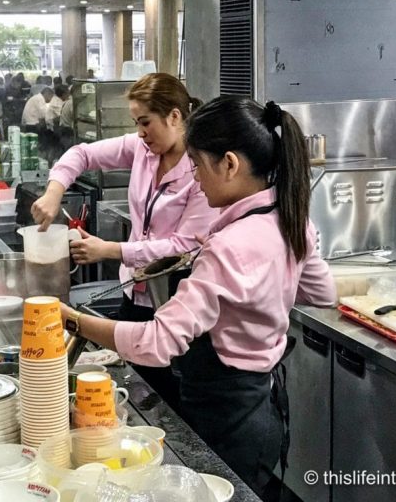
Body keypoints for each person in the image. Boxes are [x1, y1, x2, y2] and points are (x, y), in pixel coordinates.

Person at [58, 96, 336, 499]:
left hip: (225, 421)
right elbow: (321, 291)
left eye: (197, 164)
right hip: (262, 409)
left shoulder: (229, 246)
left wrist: (73, 321)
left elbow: (158, 343)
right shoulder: (291, 219)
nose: (194, 178)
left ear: (229, 164)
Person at [32, 73, 218, 410]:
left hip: (177, 300)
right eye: (136, 123)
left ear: (175, 116)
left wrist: (110, 251)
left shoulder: (201, 169)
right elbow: (81, 154)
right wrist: (53, 192)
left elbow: (184, 246)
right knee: (139, 389)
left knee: (175, 399)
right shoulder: (141, 149)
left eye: (146, 122)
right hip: (137, 291)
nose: (140, 132)